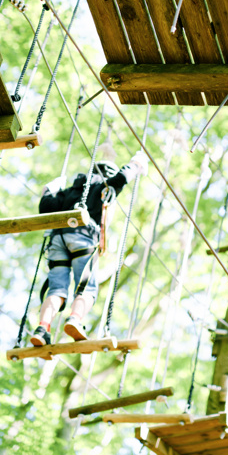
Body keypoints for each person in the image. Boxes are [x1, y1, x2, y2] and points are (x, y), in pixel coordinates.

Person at [29, 144, 148, 346]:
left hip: (58, 240)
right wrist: (136, 164)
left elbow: (45, 208)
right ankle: (75, 319)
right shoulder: (103, 187)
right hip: (83, 238)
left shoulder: (70, 191)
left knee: (56, 290)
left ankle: (42, 328)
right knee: (87, 289)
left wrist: (48, 190)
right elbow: (121, 178)